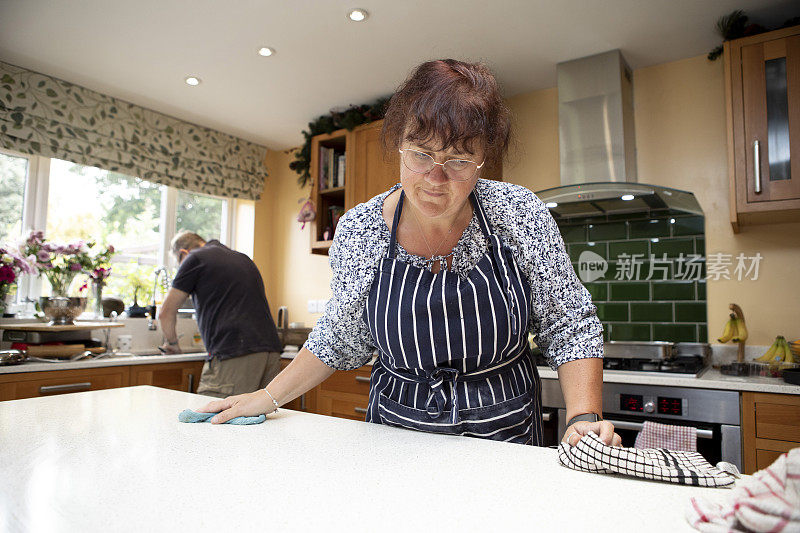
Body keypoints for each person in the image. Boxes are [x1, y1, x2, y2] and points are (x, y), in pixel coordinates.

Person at [198, 59, 621, 448]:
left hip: (504, 434)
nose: (435, 178)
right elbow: (338, 337)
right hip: (395, 439)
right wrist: (267, 396)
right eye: (420, 154)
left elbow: (568, 322)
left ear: (482, 158)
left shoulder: (518, 213)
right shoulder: (361, 229)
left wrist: (583, 417)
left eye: (457, 160)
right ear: (399, 143)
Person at [159, 231, 283, 398]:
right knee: (260, 420)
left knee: (213, 417)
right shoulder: (243, 259)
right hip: (271, 352)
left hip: (235, 352)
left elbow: (166, 312)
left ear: (183, 253)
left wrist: (173, 344)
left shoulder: (194, 258)